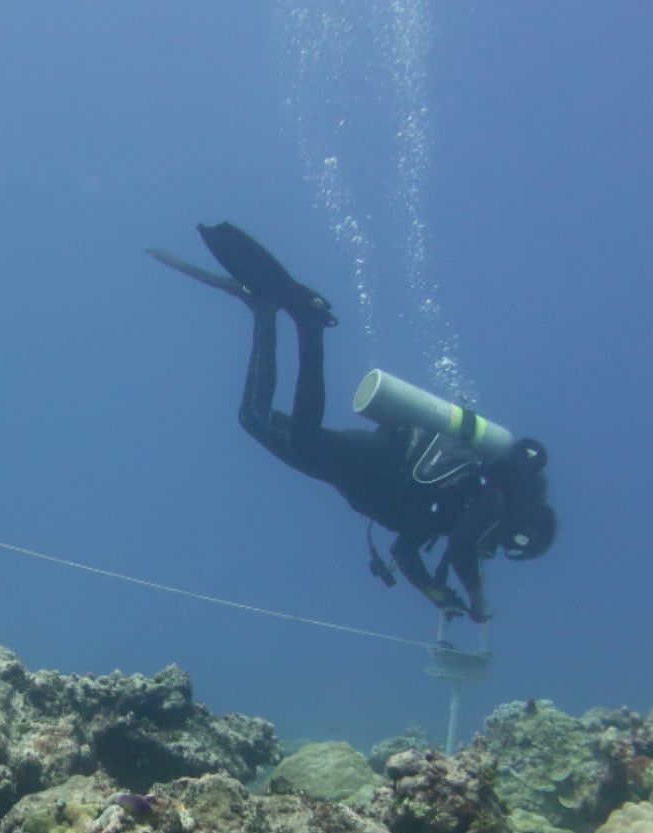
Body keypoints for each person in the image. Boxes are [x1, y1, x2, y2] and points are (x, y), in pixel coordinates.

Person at [150, 222, 555, 623]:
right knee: (303, 439)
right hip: (381, 461)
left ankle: (264, 312)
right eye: (513, 544)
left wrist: (437, 594)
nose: (500, 546)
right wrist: (478, 599)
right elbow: (466, 546)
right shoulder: (491, 500)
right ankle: (309, 324)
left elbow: (405, 553)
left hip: (356, 476)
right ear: (526, 527)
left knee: (253, 418)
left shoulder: (455, 513)